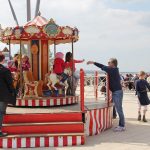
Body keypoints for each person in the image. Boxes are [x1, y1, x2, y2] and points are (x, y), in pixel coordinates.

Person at [87, 58, 125, 132]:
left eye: (109, 62)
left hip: (117, 92)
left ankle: (122, 126)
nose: (108, 63)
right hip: (116, 92)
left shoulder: (112, 70)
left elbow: (102, 66)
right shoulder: (114, 69)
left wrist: (93, 62)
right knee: (118, 108)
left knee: (119, 109)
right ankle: (121, 124)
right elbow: (103, 66)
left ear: (113, 63)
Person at [0, 52, 16, 137]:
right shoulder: (5, 70)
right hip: (2, 95)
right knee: (1, 112)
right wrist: (13, 92)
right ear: (3, 60)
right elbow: (10, 83)